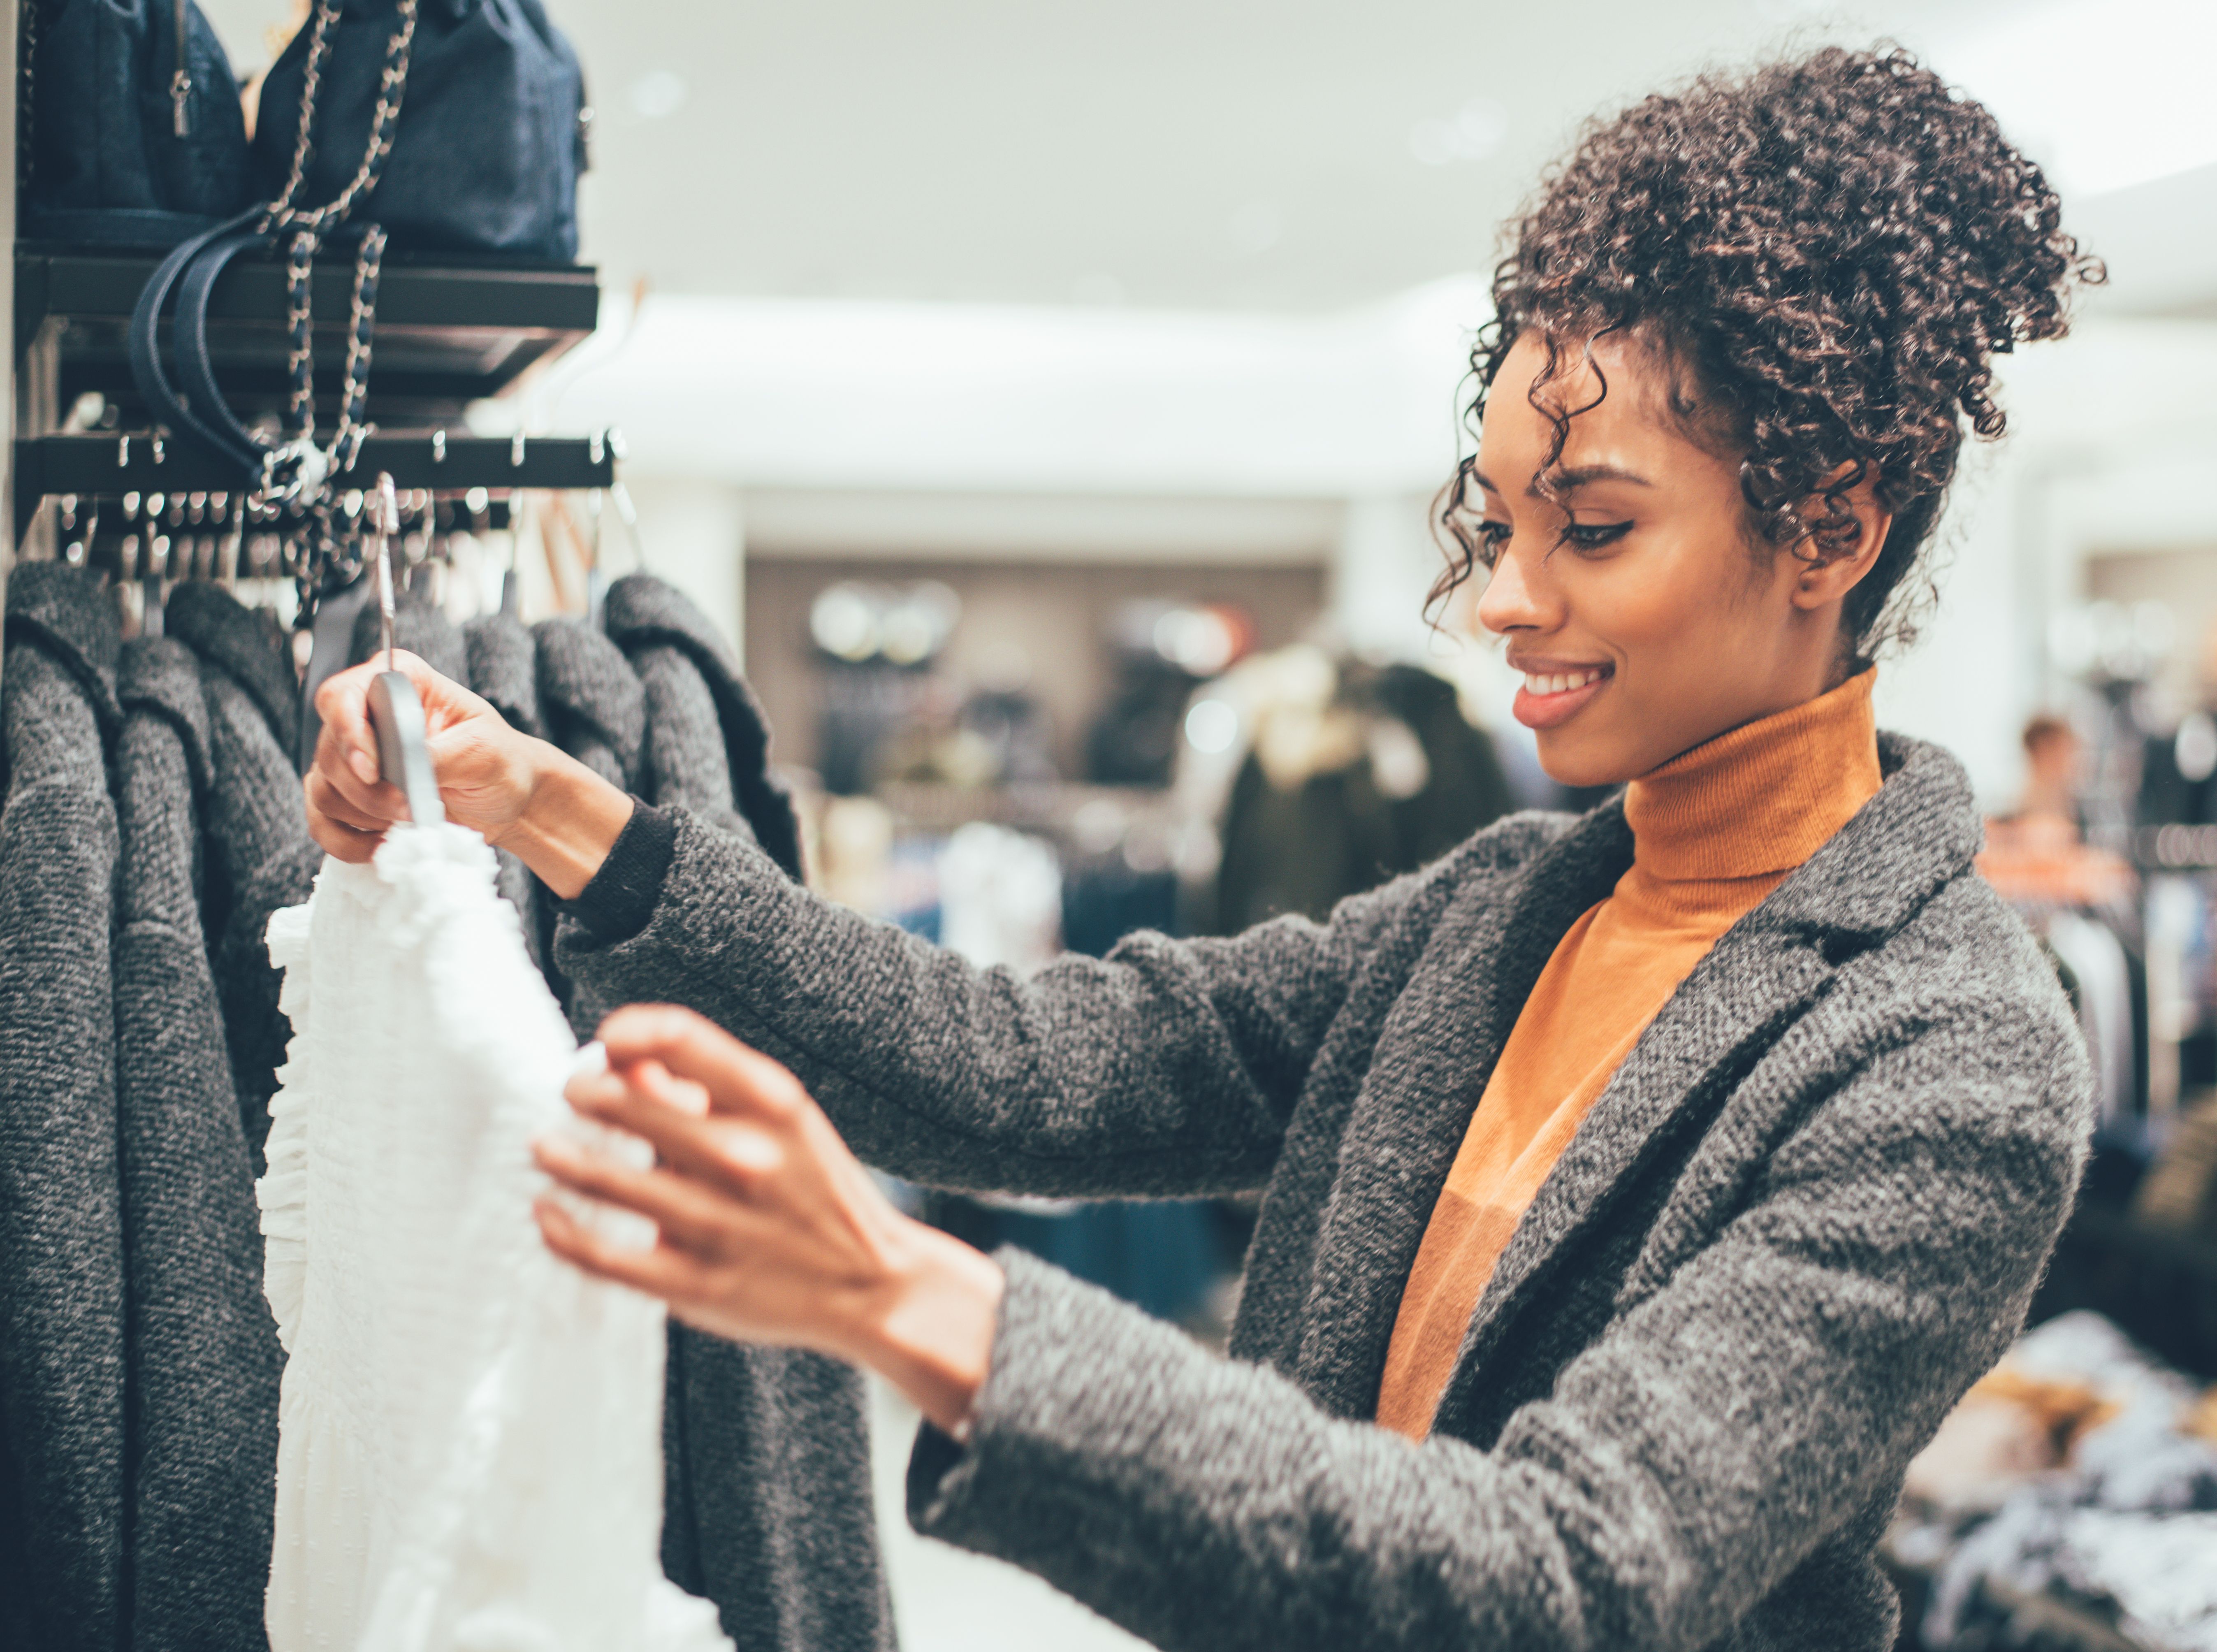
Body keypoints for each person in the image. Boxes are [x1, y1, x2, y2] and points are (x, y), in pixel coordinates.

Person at [305, 47, 2099, 1652]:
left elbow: (1571, 1570)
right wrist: (557, 810)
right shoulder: (1505, 912)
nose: (1500, 595)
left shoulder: (1950, 1049)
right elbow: (1030, 1068)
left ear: (1830, 531)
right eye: (1495, 519)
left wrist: (905, 1289)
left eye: (1595, 525)